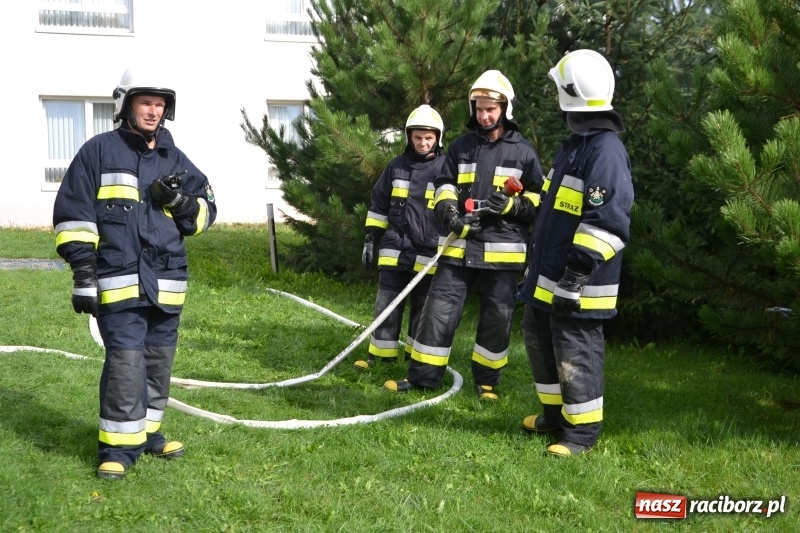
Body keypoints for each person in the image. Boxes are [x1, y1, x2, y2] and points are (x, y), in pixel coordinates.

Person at [53, 67, 217, 479]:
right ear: (126, 105)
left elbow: (205, 214)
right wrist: (84, 275)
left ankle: (148, 433)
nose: (153, 111)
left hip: (167, 283)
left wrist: (179, 202)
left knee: (158, 361)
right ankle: (117, 448)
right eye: (146, 102)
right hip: (118, 281)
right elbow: (74, 214)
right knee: (126, 363)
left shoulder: (174, 158)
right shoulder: (98, 152)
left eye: (160, 105)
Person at [384, 70, 543, 400]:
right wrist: (448, 211)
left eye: (491, 109)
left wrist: (512, 207)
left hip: (503, 254)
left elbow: (539, 200)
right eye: (479, 108)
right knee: (437, 313)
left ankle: (487, 383)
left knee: (496, 320)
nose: (484, 115)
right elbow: (443, 184)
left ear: (504, 109)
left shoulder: (524, 152)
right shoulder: (461, 146)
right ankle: (423, 378)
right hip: (458, 248)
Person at [517, 49, 633, 457]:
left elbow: (609, 222)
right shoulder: (574, 146)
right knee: (538, 338)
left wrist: (574, 278)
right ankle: (555, 417)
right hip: (550, 278)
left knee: (575, 350)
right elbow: (553, 209)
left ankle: (581, 434)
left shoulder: (605, 152)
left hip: (578, 285)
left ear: (569, 94)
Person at [355, 105, 446, 370]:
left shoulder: (446, 169)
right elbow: (378, 205)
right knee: (386, 305)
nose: (423, 143)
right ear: (409, 137)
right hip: (394, 249)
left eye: (428, 138)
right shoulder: (396, 166)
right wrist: (371, 239)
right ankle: (380, 357)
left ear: (438, 138)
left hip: (429, 252)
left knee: (423, 309)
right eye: (417, 137)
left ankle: (416, 359)